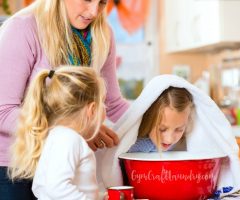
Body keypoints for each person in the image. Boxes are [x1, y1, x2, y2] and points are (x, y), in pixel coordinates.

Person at [0, 0, 129, 198]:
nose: (94, 12)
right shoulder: (23, 29)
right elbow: (3, 111)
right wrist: (78, 129)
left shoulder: (102, 34)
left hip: (65, 165)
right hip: (15, 169)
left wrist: (155, 119)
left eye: (102, 2)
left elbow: (113, 105)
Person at [9, 66, 106, 199]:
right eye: (103, 104)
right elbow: (56, 188)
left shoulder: (56, 136)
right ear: (92, 109)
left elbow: (41, 186)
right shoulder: (70, 139)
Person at [128, 87, 194, 153]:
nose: (169, 140)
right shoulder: (134, 147)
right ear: (148, 120)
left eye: (179, 130)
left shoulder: (188, 142)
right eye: (162, 129)